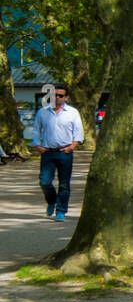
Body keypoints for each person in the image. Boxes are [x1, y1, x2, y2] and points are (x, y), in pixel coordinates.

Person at [34, 83, 84, 221]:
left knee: (64, 183)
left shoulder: (73, 113)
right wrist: (37, 145)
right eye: (54, 95)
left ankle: (61, 210)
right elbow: (36, 130)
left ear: (66, 97)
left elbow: (78, 133)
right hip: (48, 152)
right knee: (44, 181)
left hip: (65, 152)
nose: (56, 97)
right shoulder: (43, 112)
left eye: (60, 95)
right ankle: (51, 201)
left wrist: (71, 147)